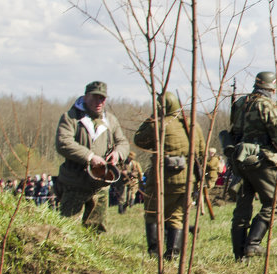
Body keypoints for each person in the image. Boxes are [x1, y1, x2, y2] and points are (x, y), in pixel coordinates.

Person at [134, 91, 211, 260]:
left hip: (160, 178)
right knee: (177, 216)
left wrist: (152, 118)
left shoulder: (158, 124)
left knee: (153, 212)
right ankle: (173, 253)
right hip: (185, 179)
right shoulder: (191, 125)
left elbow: (138, 140)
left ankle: (154, 252)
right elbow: (201, 152)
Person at [54, 80, 130, 233]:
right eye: (95, 97)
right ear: (86, 96)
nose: (99, 102)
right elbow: (63, 142)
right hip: (75, 183)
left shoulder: (110, 120)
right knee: (67, 230)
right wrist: (90, 157)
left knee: (97, 231)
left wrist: (118, 154)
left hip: (100, 185)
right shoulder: (71, 118)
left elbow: (123, 142)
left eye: (102, 98)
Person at [227, 71, 277, 260]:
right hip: (261, 159)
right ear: (271, 87)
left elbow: (234, 130)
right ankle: (252, 244)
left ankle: (239, 253)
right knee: (274, 203)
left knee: (242, 206)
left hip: (240, 159)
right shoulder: (266, 105)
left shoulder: (240, 103)